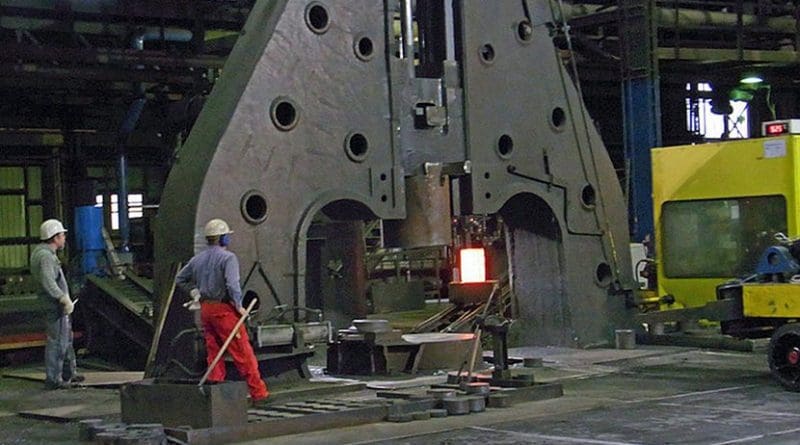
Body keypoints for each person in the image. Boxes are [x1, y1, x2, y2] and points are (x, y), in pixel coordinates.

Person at [176, 218, 269, 403]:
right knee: (243, 353)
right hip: (224, 312)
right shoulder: (228, 258)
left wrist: (195, 292)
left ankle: (214, 393)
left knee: (213, 353)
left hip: (206, 311)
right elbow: (232, 284)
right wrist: (239, 306)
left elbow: (180, 279)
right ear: (223, 238)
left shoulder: (197, 259)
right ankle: (259, 394)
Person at [31, 219, 83, 389]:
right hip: (54, 306)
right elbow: (48, 282)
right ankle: (54, 379)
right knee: (57, 342)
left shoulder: (45, 254)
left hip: (58, 306)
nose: (64, 238)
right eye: (62, 235)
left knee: (66, 340)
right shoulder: (45, 256)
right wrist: (62, 298)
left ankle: (68, 374)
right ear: (54, 237)